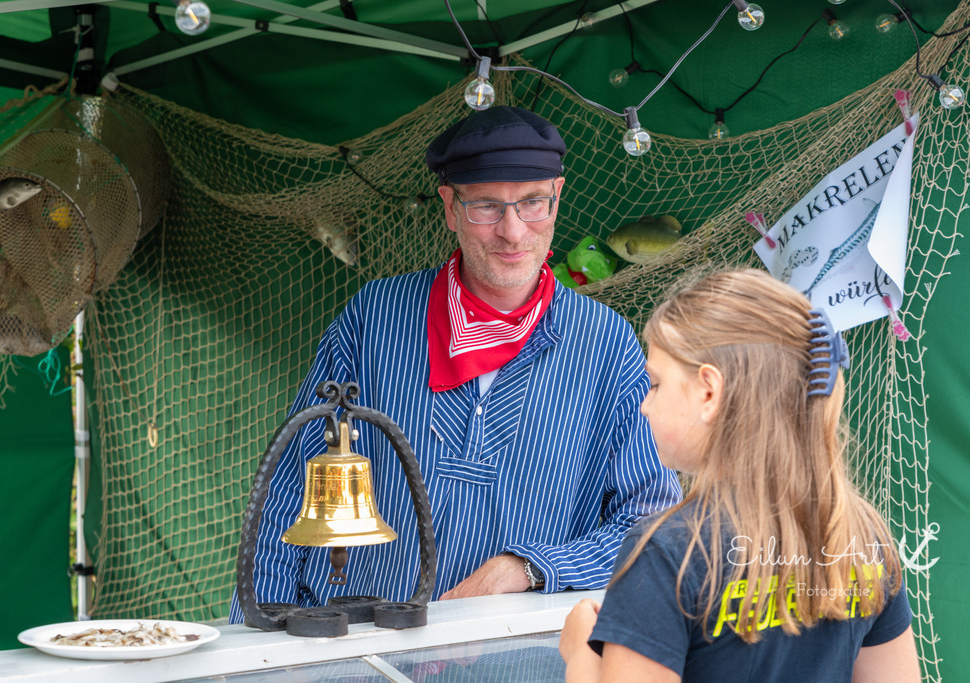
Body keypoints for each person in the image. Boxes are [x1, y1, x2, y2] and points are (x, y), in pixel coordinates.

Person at [228, 106, 681, 622]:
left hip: (517, 665)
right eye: (487, 206)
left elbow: (654, 527)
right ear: (449, 205)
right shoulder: (376, 317)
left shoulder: (606, 345)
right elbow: (290, 487)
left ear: (557, 196)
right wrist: (263, 640)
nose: (512, 232)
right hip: (362, 656)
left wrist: (529, 568)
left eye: (532, 202)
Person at [559, 269, 919, 682]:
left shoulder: (666, 554)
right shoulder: (863, 537)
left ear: (709, 392)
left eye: (655, 384)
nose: (644, 405)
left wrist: (582, 653)